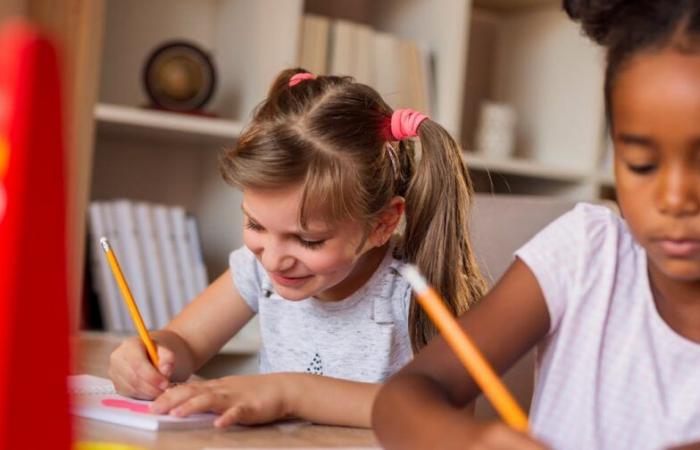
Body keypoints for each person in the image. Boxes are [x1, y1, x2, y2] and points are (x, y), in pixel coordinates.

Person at [373, 1, 700, 448]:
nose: (676, 199)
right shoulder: (588, 255)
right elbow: (405, 396)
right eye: (642, 165)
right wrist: (472, 441)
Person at [107, 68, 487, 428]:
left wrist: (291, 393)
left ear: (382, 224)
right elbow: (186, 342)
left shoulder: (415, 288)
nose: (272, 258)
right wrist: (151, 356)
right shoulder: (259, 270)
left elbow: (443, 408)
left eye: (308, 240)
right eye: (255, 224)